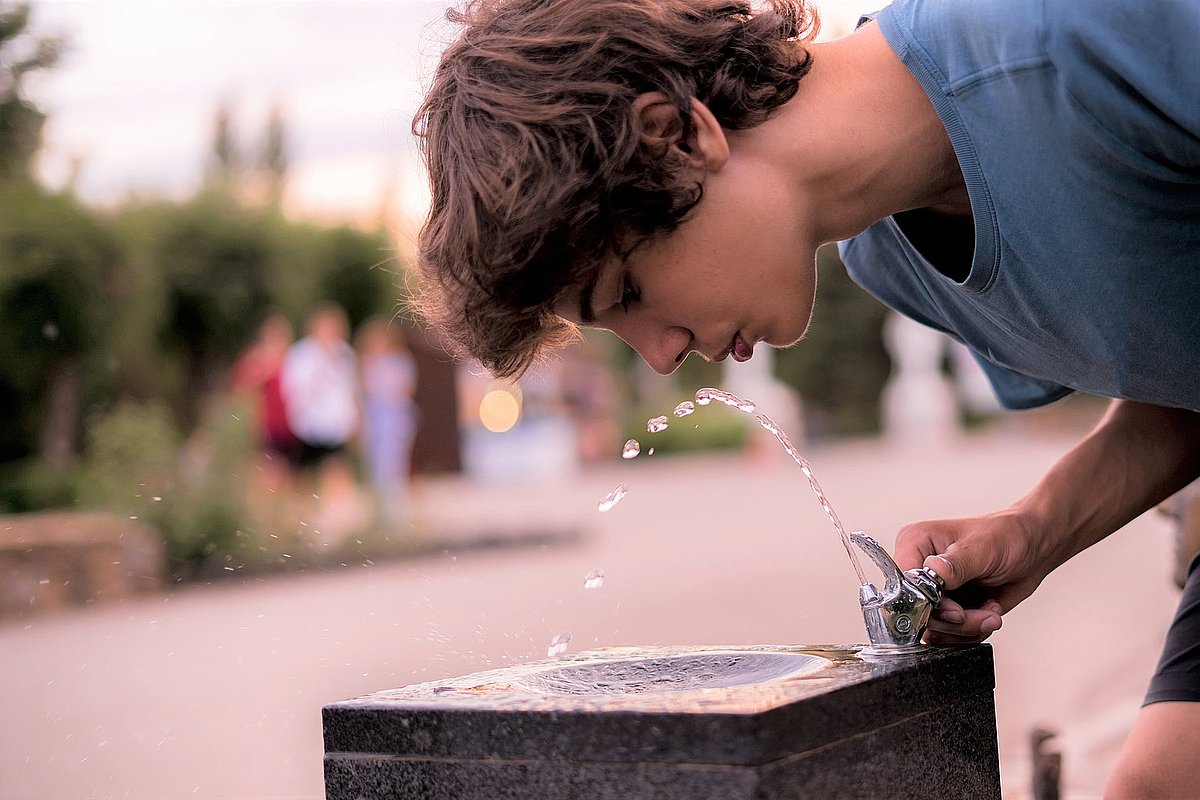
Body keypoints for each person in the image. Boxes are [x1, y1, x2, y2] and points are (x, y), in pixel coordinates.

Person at [409, 1, 1200, 796]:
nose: (659, 354)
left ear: (679, 138)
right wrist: (1039, 527)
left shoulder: (1079, 34)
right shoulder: (891, 258)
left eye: (629, 292)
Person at [280, 302, 365, 537]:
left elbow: (351, 391)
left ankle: (340, 526)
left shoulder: (345, 355)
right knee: (302, 479)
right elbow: (293, 389)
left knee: (337, 473)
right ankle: (299, 524)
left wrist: (356, 420)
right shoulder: (302, 355)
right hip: (307, 425)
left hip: (335, 425)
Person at [354, 317, 419, 523]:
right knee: (375, 464)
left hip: (395, 418)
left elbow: (406, 390)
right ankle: (381, 511)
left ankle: (398, 510)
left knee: (395, 463)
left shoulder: (400, 362)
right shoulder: (367, 363)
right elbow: (363, 392)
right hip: (376, 419)